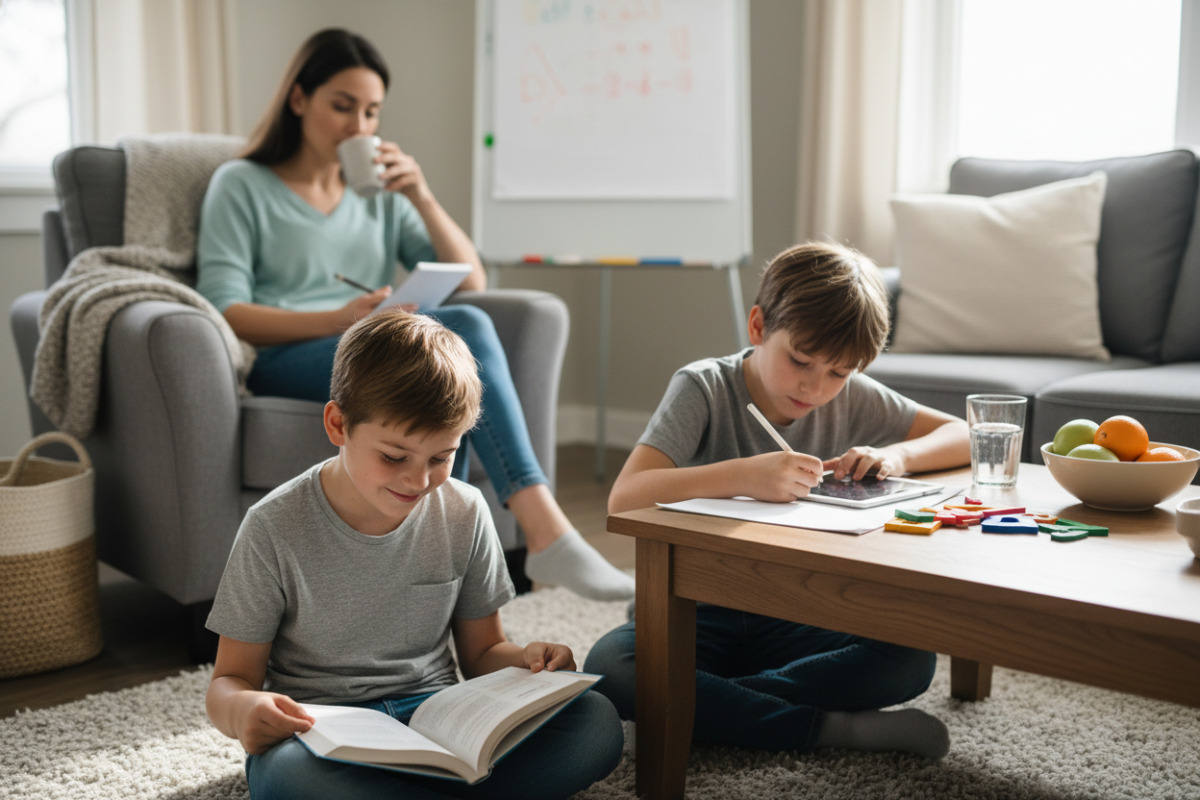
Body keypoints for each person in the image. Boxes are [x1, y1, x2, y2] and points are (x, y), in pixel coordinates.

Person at [196, 27, 633, 602]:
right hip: (289, 355)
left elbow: (471, 280)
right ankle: (547, 534)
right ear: (299, 100)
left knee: (466, 327)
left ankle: (458, 556)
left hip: (376, 347)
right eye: (343, 106)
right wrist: (338, 320)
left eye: (372, 112)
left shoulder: (375, 197)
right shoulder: (242, 185)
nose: (359, 127)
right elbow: (226, 309)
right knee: (463, 331)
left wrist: (421, 195)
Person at [204, 310, 623, 800]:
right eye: (394, 457)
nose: (418, 481)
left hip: (439, 717)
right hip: (324, 733)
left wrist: (528, 661)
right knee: (289, 778)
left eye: (441, 458)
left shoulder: (465, 512)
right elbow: (229, 682)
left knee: (595, 723)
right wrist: (244, 712)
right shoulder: (272, 526)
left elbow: (483, 653)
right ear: (338, 424)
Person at [584, 241, 971, 759]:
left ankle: (696, 705)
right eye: (801, 361)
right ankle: (834, 729)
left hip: (800, 609)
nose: (815, 387)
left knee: (909, 657)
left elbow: (961, 434)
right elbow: (625, 498)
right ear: (759, 327)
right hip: (696, 609)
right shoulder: (703, 387)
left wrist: (895, 457)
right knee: (611, 666)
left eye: (838, 372)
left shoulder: (852, 396)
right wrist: (743, 476)